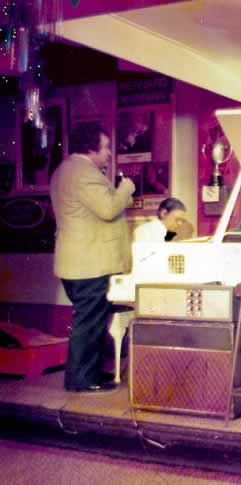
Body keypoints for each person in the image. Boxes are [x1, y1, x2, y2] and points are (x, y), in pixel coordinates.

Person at [50, 121, 135, 393]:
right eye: (106, 147)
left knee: (91, 321)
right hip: (90, 265)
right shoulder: (84, 173)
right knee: (89, 323)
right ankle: (82, 380)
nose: (109, 153)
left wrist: (120, 194)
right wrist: (126, 188)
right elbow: (108, 209)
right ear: (90, 147)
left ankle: (91, 374)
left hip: (79, 263)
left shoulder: (66, 170)